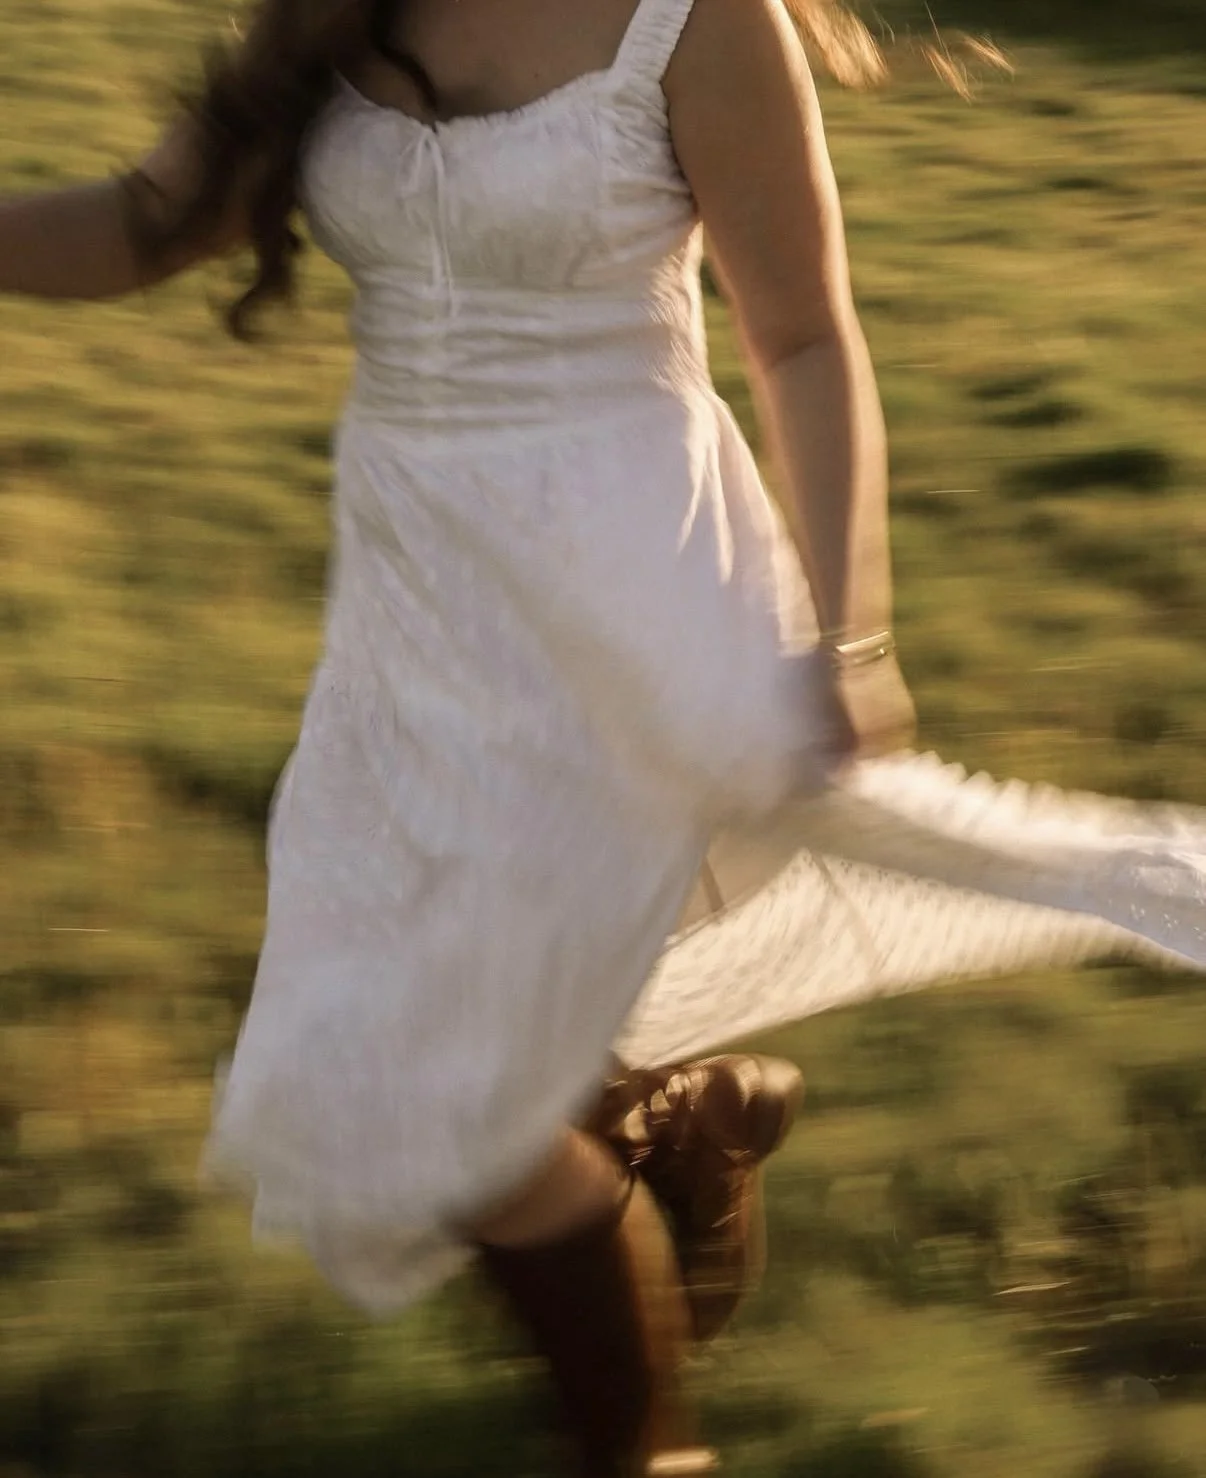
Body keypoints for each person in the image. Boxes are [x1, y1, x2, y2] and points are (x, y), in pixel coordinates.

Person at [3, 0, 1205, 1473]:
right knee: (412, 1032)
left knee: (446, 1102)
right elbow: (145, 222)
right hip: (424, 611)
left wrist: (853, 636)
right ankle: (672, 1126)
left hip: (636, 587)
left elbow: (805, 334)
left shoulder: (693, 22)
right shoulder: (331, 13)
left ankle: (643, 1444)